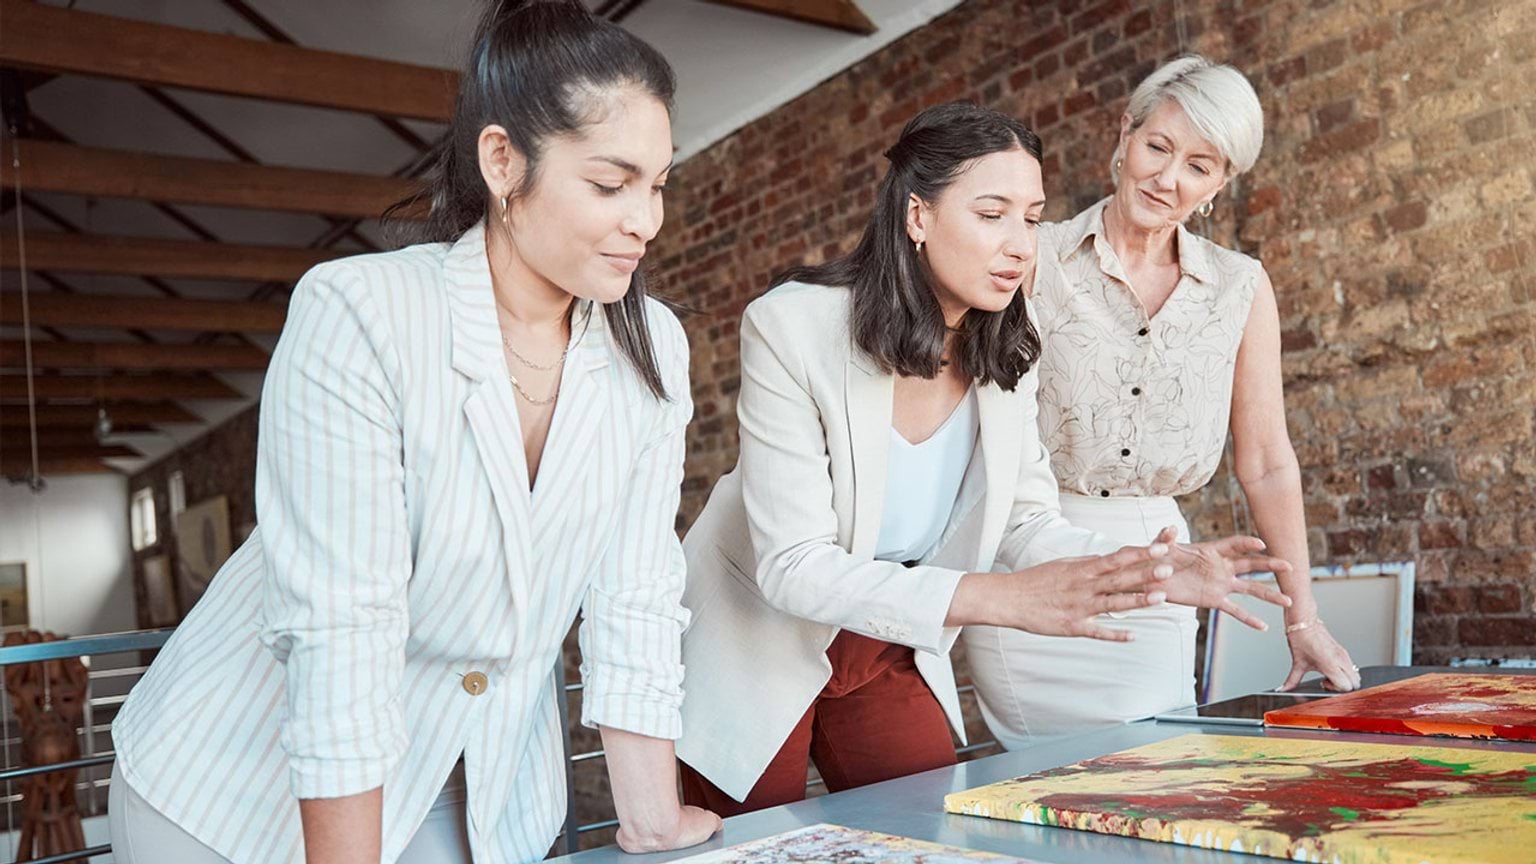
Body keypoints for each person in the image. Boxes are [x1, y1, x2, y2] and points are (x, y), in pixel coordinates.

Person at [108, 3, 720, 861]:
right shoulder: (361, 314)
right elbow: (340, 629)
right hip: (245, 797)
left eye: (658, 184)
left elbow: (636, 595)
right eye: (610, 184)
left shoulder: (652, 345)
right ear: (504, 161)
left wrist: (651, 819)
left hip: (483, 792)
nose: (645, 220)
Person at [673, 101, 1293, 814]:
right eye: (991, 213)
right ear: (918, 217)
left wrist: (1135, 568)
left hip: (886, 635)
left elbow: (1024, 521)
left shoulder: (1008, 337)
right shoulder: (791, 325)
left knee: (932, 830)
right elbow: (794, 566)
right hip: (758, 632)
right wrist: (1000, 598)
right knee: (754, 849)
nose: (1020, 245)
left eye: (1031, 219)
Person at [964, 55, 1360, 752]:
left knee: (1157, 770)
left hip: (1163, 569)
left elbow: (1267, 462)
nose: (1169, 178)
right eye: (1158, 147)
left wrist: (1304, 618)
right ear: (1124, 135)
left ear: (1221, 183)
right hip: (1033, 556)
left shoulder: (1240, 287)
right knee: (1038, 786)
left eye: (1200, 166)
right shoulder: (1036, 258)